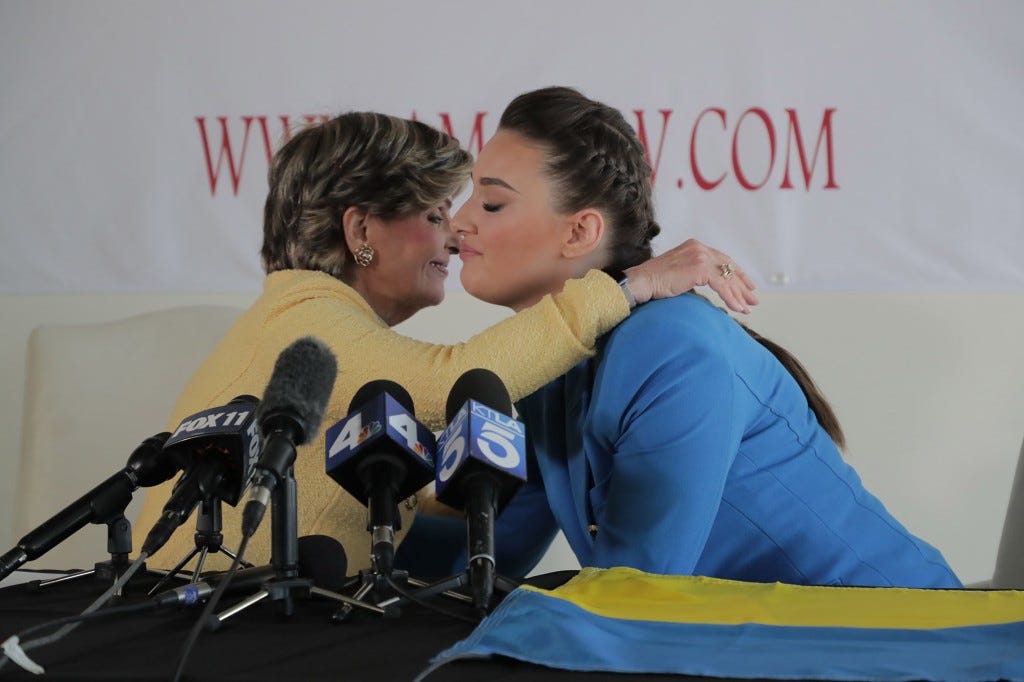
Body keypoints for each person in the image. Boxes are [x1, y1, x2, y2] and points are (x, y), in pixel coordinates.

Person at [132, 111, 758, 573]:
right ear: (360, 231)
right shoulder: (308, 319)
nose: (455, 238)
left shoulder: (299, 314)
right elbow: (453, 379)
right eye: (435, 216)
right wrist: (629, 285)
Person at [446, 87, 960, 588]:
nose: (459, 220)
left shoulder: (669, 347)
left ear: (579, 233)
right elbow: (489, 557)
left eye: (491, 203)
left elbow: (636, 591)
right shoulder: (553, 361)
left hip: (898, 642)